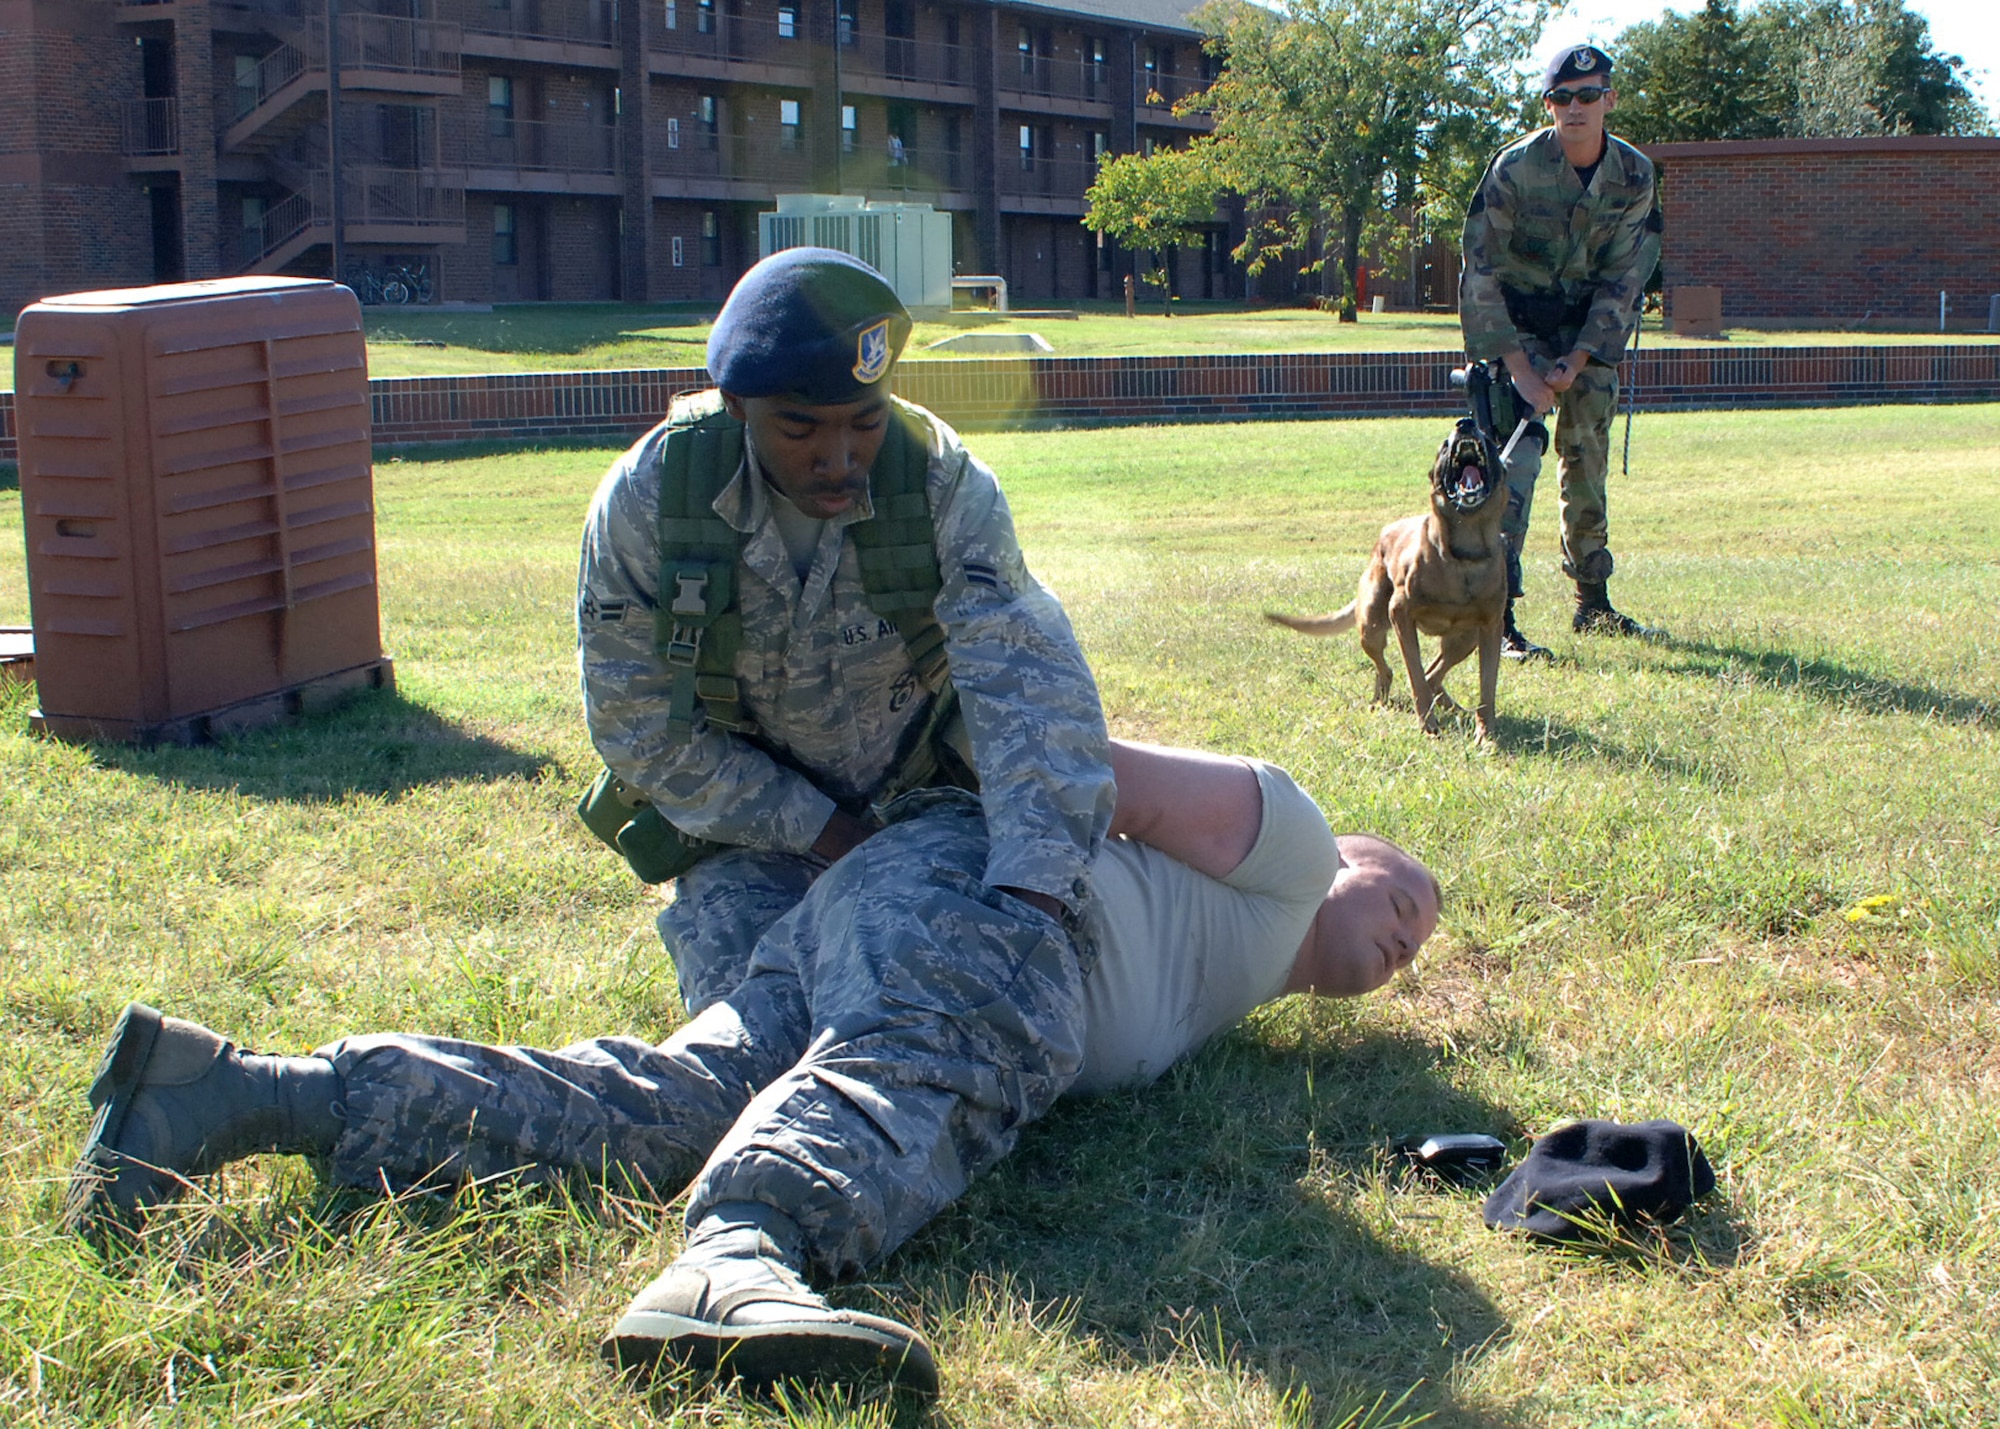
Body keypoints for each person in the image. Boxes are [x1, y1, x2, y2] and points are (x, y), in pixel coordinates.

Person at [64, 741, 1440, 1394]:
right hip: (996, 910)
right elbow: (1090, 772)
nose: (1407, 943)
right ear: (1362, 857)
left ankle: (234, 1090)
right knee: (950, 1046)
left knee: (669, 1108)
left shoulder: (1246, 979)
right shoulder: (1293, 845)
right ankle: (740, 1255)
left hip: (878, 915)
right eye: (1409, 903)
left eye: (1420, 942)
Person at [577, 243, 1110, 1015]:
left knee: (954, 1006)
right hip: (751, 836)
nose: (839, 458)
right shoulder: (652, 501)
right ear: (738, 405)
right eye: (799, 430)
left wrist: (1031, 898)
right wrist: (824, 833)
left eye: (865, 422)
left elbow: (1030, 689)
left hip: (922, 813)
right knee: (761, 1030)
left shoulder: (937, 481)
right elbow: (641, 732)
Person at [1460, 42, 1663, 658]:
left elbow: (1626, 279)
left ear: (1610, 100)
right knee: (1511, 467)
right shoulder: (1514, 169)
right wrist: (1521, 369)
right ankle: (1496, 616)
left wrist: (1576, 362)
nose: (1575, 108)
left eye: (1589, 95)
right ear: (1549, 104)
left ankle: (1592, 601)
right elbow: (1479, 271)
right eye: (1562, 98)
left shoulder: (1634, 175)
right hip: (1515, 332)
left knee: (1587, 459)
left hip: (1588, 337)